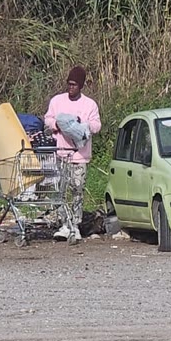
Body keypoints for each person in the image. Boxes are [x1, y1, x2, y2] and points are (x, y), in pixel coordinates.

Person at [44, 66, 101, 242]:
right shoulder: (57, 101)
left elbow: (97, 125)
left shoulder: (89, 104)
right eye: (69, 84)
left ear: (81, 86)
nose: (71, 88)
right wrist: (59, 125)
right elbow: (48, 119)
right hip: (61, 154)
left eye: (74, 85)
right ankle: (63, 223)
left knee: (77, 190)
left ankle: (75, 224)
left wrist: (81, 126)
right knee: (60, 190)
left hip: (79, 156)